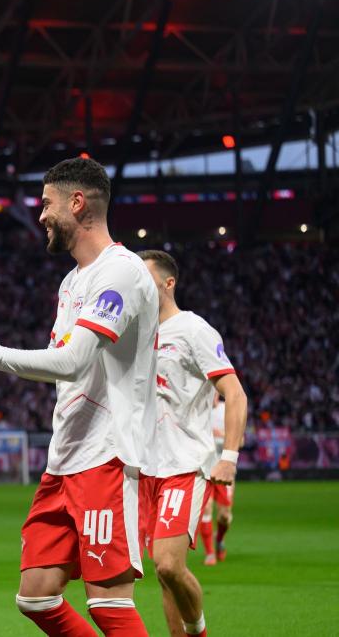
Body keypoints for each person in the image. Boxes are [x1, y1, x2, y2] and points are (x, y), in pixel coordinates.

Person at [0, 156, 157, 636]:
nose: (40, 216)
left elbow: (74, 361)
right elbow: (64, 366)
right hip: (65, 461)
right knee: (35, 596)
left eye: (46, 204)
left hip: (108, 456)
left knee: (108, 605)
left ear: (77, 204)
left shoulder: (122, 272)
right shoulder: (71, 282)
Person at [138, 249, 248, 637]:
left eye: (146, 281)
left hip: (183, 464)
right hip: (143, 469)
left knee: (168, 564)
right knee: (163, 574)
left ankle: (198, 631)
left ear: (169, 283)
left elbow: (234, 393)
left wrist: (229, 457)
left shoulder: (193, 330)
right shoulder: (136, 335)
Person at [199, 394, 235, 566]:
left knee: (225, 516)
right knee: (206, 508)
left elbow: (240, 440)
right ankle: (209, 553)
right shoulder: (197, 409)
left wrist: (221, 436)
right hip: (203, 467)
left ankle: (219, 539)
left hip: (223, 469)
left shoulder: (226, 409)